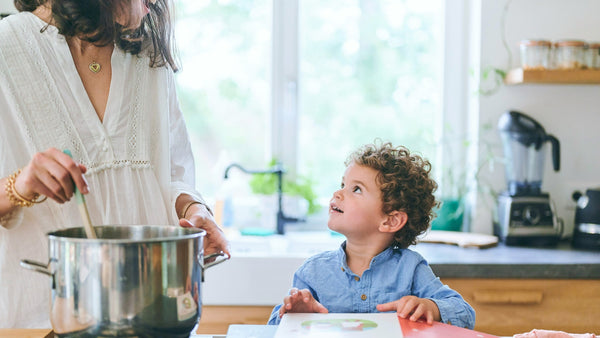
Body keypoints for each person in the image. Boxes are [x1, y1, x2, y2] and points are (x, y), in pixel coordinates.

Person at [0, 0, 229, 328]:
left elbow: (173, 174)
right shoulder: (5, 48)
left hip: (150, 316)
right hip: (39, 323)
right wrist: (19, 185)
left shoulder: (147, 54)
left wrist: (195, 210)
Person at [267, 141, 476, 329]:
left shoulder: (410, 269)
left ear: (390, 221)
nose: (338, 193)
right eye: (343, 185)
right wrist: (296, 314)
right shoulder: (313, 271)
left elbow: (465, 313)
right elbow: (273, 327)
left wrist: (430, 306)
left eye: (356, 189)